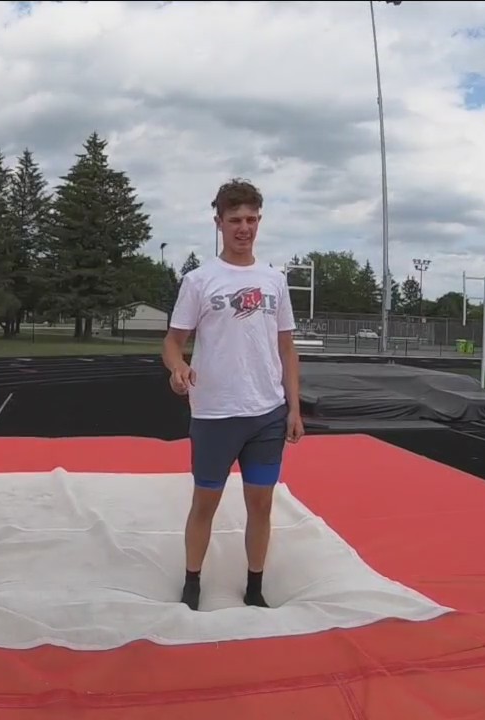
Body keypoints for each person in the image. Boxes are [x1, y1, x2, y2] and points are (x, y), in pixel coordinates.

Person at [161, 178, 304, 611]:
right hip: (215, 413)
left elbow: (286, 347)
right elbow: (172, 341)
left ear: (259, 221)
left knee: (261, 504)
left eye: (252, 219)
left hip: (266, 412)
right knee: (205, 502)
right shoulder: (199, 281)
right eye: (235, 219)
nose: (244, 228)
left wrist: (294, 407)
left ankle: (255, 586)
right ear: (219, 222)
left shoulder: (274, 281)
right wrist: (178, 367)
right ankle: (192, 581)